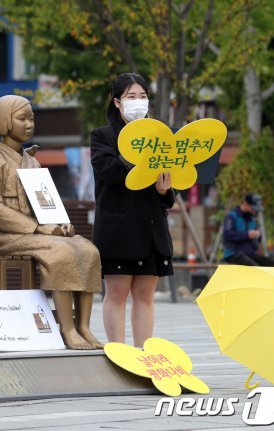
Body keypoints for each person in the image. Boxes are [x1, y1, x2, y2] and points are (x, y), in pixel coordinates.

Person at [0, 95, 102, 350]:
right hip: (8, 236)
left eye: (31, 119)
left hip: (39, 233)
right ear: (4, 120)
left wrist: (60, 223)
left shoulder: (32, 161)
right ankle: (66, 329)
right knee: (60, 252)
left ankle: (84, 326)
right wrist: (37, 227)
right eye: (21, 118)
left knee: (88, 250)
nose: (28, 124)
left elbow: (46, 201)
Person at [90, 73, 175, 348]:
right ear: (117, 102)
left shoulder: (158, 135)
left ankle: (144, 354)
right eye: (130, 97)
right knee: (116, 293)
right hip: (119, 231)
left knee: (145, 295)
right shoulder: (102, 136)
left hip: (151, 228)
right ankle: (119, 354)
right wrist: (142, 162)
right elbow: (110, 172)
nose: (138, 102)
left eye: (142, 96)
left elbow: (167, 192)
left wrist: (164, 190)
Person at [223, 193, 274, 266]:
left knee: (270, 264)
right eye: (253, 209)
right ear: (245, 204)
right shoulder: (232, 216)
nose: (254, 211)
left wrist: (258, 235)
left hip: (249, 253)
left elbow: (257, 239)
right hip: (234, 254)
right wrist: (247, 235)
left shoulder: (252, 219)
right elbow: (227, 235)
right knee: (255, 268)